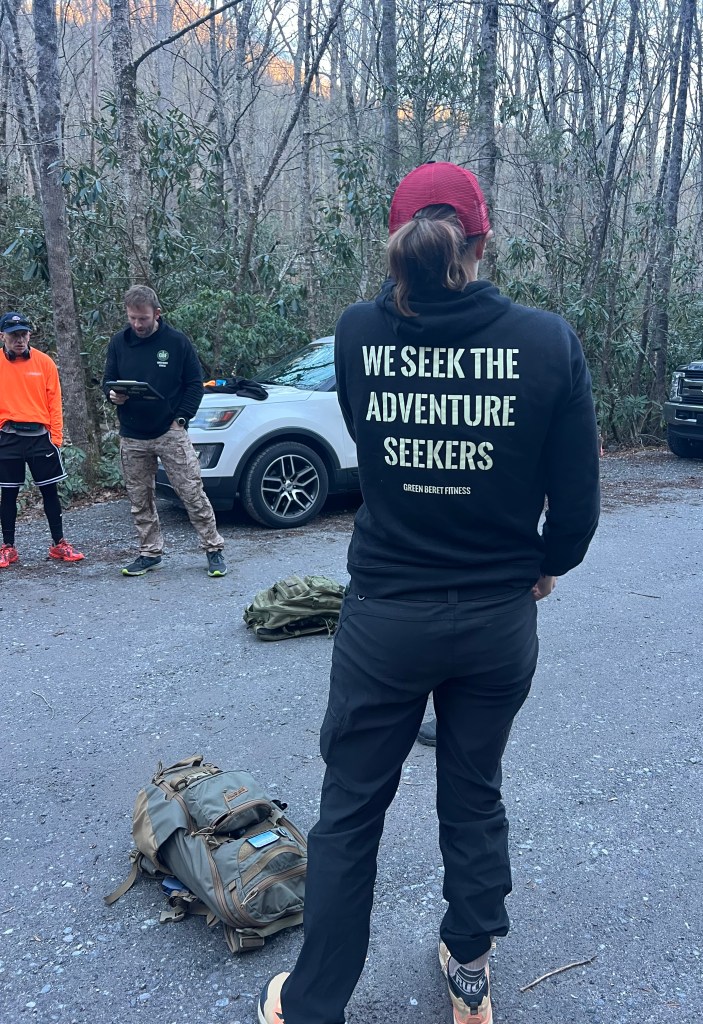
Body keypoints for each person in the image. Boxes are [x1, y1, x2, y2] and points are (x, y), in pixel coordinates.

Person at [257, 161, 601, 1024]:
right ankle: (469, 970)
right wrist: (545, 564)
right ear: (485, 243)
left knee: (350, 812)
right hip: (496, 620)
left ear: (395, 244)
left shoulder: (356, 333)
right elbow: (578, 507)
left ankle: (314, 1004)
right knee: (474, 790)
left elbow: (371, 434)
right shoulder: (547, 342)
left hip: (385, 617)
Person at [102, 285, 227, 577]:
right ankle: (150, 553)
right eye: (132, 318)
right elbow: (108, 380)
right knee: (140, 498)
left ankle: (213, 548)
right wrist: (112, 394)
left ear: (157, 313)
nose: (137, 324)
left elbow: (194, 385)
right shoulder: (119, 342)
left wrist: (180, 419)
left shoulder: (176, 342)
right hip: (132, 434)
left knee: (192, 492)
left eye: (143, 318)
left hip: (170, 431)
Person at [0, 312, 84, 568]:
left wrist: (56, 437)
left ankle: (59, 543)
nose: (19, 340)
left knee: (50, 491)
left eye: (23, 334)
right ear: (2, 336)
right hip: (7, 436)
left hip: (40, 437)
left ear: (29, 335)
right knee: (8, 494)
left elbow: (54, 401)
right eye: (13, 335)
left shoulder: (45, 362)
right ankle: (8, 547)